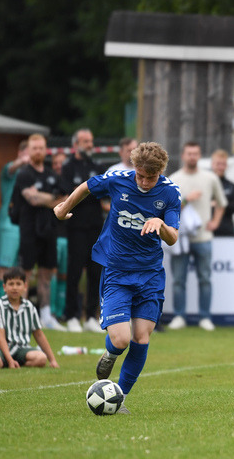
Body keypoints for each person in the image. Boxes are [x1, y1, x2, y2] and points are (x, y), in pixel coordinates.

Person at [54, 141, 181, 413]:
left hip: (149, 275)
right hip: (117, 270)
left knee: (142, 338)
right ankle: (111, 352)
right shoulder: (118, 180)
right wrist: (64, 207)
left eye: (151, 177)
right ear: (134, 168)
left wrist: (161, 225)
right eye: (141, 175)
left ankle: (119, 397)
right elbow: (88, 186)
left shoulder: (170, 193)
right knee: (122, 340)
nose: (145, 182)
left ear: (160, 171)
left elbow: (173, 237)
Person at [168, 141, 227, 331]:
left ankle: (205, 317)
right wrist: (186, 199)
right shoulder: (174, 179)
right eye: (189, 153)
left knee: (205, 279)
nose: (192, 157)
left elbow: (221, 203)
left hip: (203, 237)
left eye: (195, 153)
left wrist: (216, 222)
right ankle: (179, 316)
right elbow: (168, 208)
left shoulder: (210, 178)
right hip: (180, 238)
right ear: (183, 155)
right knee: (178, 280)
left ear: (199, 155)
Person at [11, 133, 65, 331]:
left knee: (46, 274)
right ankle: (22, 316)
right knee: (25, 273)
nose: (38, 152)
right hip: (29, 230)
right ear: (29, 150)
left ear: (45, 150)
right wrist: (52, 198)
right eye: (34, 148)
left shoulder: (52, 174)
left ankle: (46, 316)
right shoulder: (24, 174)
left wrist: (44, 197)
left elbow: (65, 198)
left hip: (49, 229)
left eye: (41, 148)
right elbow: (31, 199)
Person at [57, 130, 105, 333]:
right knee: (75, 273)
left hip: (96, 227)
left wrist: (85, 193)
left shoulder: (97, 166)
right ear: (76, 143)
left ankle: (91, 317)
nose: (89, 145)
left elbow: (102, 193)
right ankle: (73, 316)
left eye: (91, 141)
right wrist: (86, 194)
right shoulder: (67, 167)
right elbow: (69, 192)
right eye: (85, 141)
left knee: (95, 272)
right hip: (75, 227)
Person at [0, 267, 60, 369]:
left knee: (41, 358)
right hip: (0, 348)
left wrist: (52, 360)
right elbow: (0, 336)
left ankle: (11, 364)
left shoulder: (30, 307)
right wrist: (10, 360)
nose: (15, 288)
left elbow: (39, 335)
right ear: (4, 287)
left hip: (22, 348)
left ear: (25, 286)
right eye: (11, 284)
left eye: (18, 284)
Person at [0, 139, 30, 297]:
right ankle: (1, 307)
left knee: (22, 269)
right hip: (9, 225)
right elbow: (11, 168)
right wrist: (21, 162)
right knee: (4, 267)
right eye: (29, 151)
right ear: (20, 153)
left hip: (27, 224)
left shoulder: (33, 173)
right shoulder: (11, 169)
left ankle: (19, 310)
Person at [50, 150, 70, 320]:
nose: (58, 166)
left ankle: (62, 311)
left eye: (61, 163)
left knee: (65, 274)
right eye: (55, 163)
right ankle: (52, 311)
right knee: (53, 272)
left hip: (69, 233)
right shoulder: (50, 181)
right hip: (53, 233)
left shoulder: (71, 181)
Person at [210, 149, 234, 237]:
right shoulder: (205, 184)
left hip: (226, 231)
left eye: (223, 164)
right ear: (212, 164)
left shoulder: (232, 186)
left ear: (226, 166)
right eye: (218, 164)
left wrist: (220, 204)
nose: (220, 167)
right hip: (207, 232)